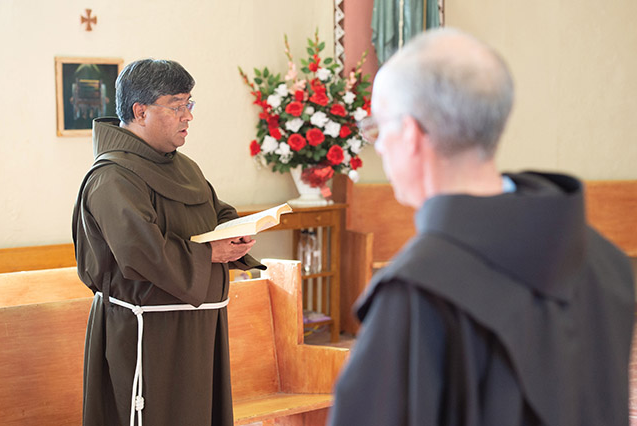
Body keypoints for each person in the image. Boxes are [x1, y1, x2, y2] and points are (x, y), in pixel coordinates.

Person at [328, 28, 635, 426]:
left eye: (378, 127)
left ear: (411, 134)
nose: (380, 145)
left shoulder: (420, 294)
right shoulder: (605, 262)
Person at [72, 59, 264, 426]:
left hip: (197, 331)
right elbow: (140, 252)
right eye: (177, 106)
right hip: (148, 336)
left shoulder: (184, 167)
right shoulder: (112, 177)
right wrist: (209, 253)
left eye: (189, 104)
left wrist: (234, 230)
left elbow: (214, 211)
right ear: (139, 111)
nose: (188, 116)